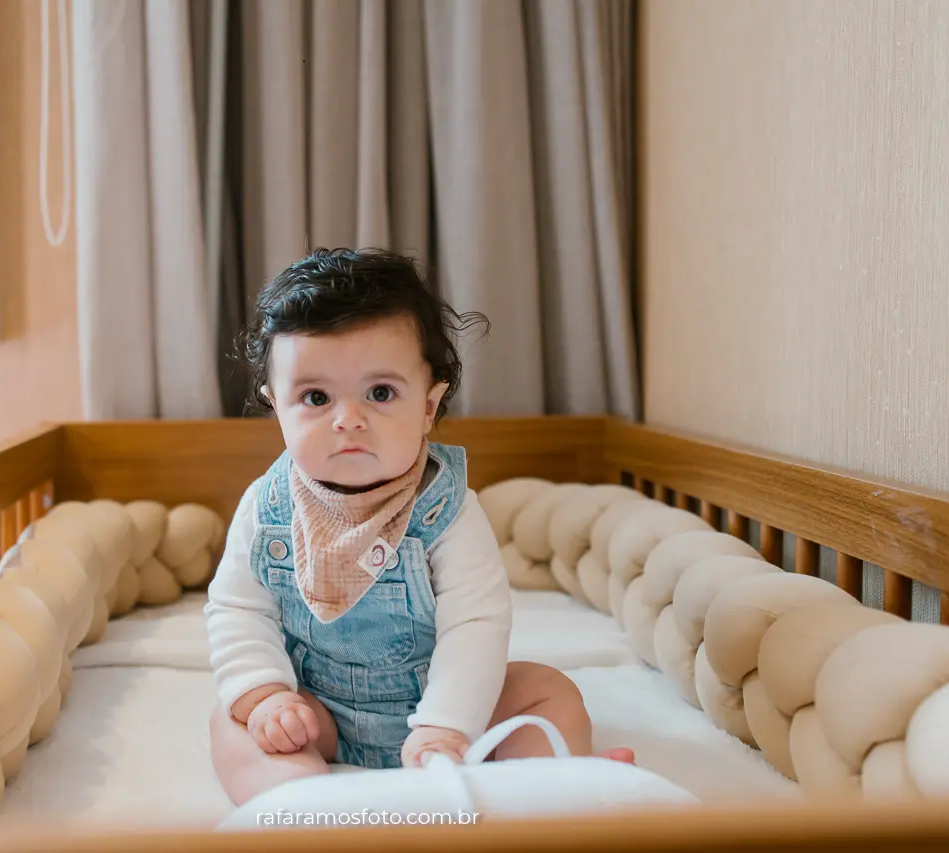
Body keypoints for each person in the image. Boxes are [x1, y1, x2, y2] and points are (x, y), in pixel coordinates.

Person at [204, 248, 633, 806]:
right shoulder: (267, 507)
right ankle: (298, 809)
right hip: (318, 709)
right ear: (275, 406)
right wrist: (266, 698)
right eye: (315, 397)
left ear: (429, 407)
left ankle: (544, 791)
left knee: (549, 692)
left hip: (441, 700)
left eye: (380, 393)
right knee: (231, 720)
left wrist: (447, 724)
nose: (348, 419)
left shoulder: (446, 509)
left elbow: (475, 621)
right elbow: (238, 608)